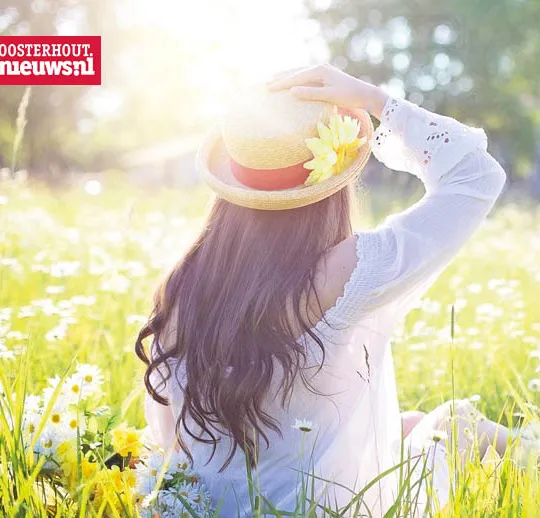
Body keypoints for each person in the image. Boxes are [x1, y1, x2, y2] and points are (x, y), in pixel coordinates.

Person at [135, 64, 512, 516]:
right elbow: (476, 176)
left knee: (407, 424)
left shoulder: (183, 285)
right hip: (330, 509)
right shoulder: (346, 271)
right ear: (333, 182)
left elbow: (168, 437)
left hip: (206, 508)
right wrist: (376, 100)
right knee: (456, 422)